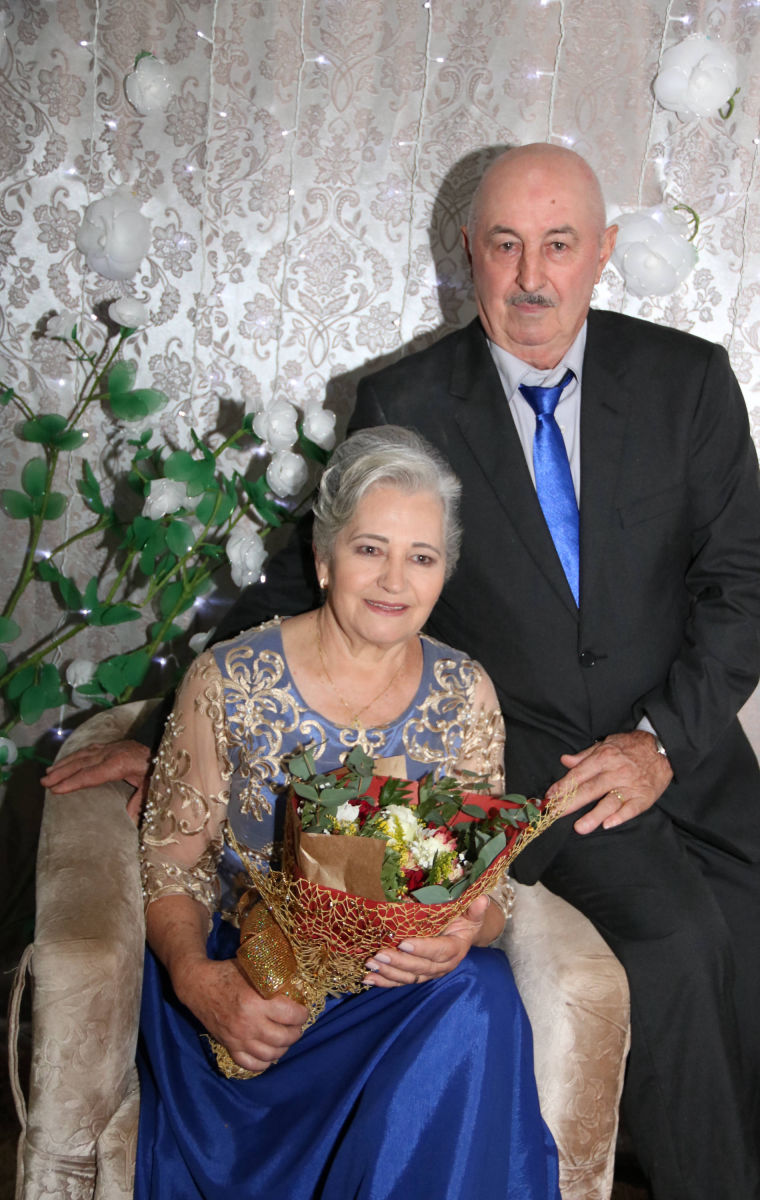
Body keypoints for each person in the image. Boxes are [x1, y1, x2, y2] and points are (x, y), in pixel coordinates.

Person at [45, 143, 760, 1199]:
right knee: (675, 948)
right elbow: (312, 575)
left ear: (602, 253)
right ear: (469, 253)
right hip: (542, 771)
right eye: (504, 246)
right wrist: (161, 729)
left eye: (558, 245)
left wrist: (663, 740)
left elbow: (744, 582)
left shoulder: (688, 380)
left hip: (687, 753)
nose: (530, 277)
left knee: (750, 987)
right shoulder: (409, 397)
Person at [133, 425, 562, 1199]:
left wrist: (462, 933)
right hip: (259, 995)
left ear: (444, 573)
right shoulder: (229, 680)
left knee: (479, 991)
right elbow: (171, 863)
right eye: (370, 549)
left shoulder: (465, 694)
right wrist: (199, 983)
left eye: (421, 557)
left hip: (399, 998)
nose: (394, 579)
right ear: (324, 558)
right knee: (472, 1001)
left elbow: (487, 887)